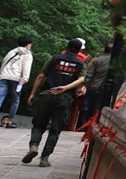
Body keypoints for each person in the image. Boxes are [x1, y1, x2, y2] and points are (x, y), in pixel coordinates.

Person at [22, 39, 87, 168]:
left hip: (47, 95)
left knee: (39, 125)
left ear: (66, 47)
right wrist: (66, 88)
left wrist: (32, 94)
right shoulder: (80, 64)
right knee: (55, 129)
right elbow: (81, 80)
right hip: (64, 98)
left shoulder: (54, 59)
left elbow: (41, 76)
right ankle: (45, 158)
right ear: (79, 51)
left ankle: (34, 146)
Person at [0, 39, 32, 129]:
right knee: (15, 100)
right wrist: (25, 78)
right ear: (27, 45)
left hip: (4, 77)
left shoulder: (11, 52)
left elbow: (3, 64)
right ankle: (9, 121)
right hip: (16, 79)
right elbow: (27, 67)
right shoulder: (28, 54)